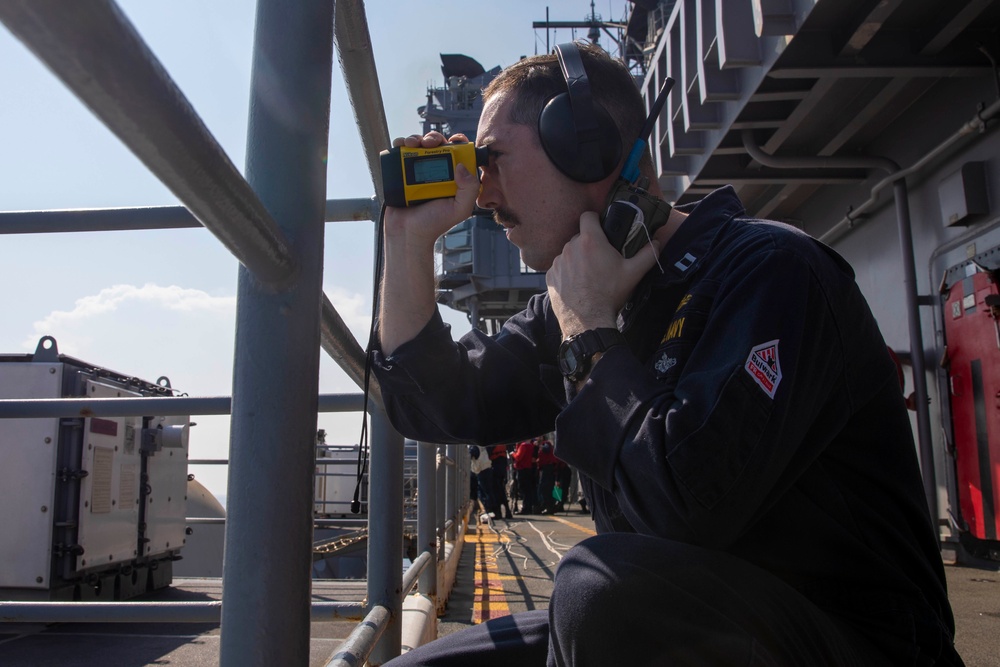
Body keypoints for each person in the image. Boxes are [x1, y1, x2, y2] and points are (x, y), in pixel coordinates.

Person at [373, 41, 961, 666]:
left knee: (599, 592)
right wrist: (406, 239)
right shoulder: (578, 301)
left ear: (585, 149)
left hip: (849, 642)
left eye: (490, 161)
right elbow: (435, 403)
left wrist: (594, 335)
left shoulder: (771, 273)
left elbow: (685, 515)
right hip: (678, 626)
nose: (482, 196)